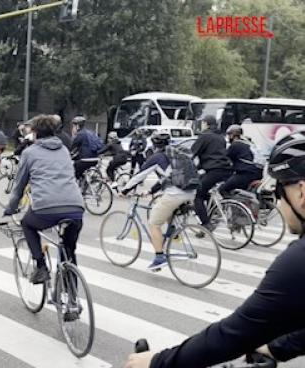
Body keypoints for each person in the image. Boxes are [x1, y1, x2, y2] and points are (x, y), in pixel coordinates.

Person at [125, 131, 305, 368]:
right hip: (203, 183)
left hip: (183, 190)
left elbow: (235, 334)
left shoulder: (298, 261)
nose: (279, 205)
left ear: (301, 193)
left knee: (157, 221)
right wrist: (276, 347)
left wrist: (157, 362)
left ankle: (171, 247)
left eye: (277, 193)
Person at [4, 115, 84, 283]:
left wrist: (10, 208)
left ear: (34, 132)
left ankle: (41, 267)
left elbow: (19, 187)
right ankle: (72, 297)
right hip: (76, 207)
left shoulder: (29, 152)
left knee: (27, 224)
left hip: (46, 209)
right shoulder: (63, 150)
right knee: (69, 251)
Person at [120, 132, 196, 269]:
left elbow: (139, 175)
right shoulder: (175, 155)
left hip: (175, 194)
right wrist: (151, 191)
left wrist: (124, 190)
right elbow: (166, 178)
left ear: (154, 145)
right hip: (191, 192)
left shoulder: (157, 157)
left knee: (154, 223)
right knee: (163, 206)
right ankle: (170, 233)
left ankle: (159, 257)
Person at [190, 115, 233, 231]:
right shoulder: (220, 138)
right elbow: (212, 156)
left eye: (203, 123)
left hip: (214, 171)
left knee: (197, 195)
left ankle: (206, 224)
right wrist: (199, 168)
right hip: (225, 170)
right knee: (205, 189)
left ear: (206, 124)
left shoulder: (204, 136)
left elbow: (191, 154)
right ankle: (213, 210)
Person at [219, 124, 263, 195]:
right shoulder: (249, 143)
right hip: (258, 174)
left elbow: (225, 159)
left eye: (229, 135)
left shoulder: (235, 145)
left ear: (232, 135)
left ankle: (232, 204)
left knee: (222, 189)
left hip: (245, 175)